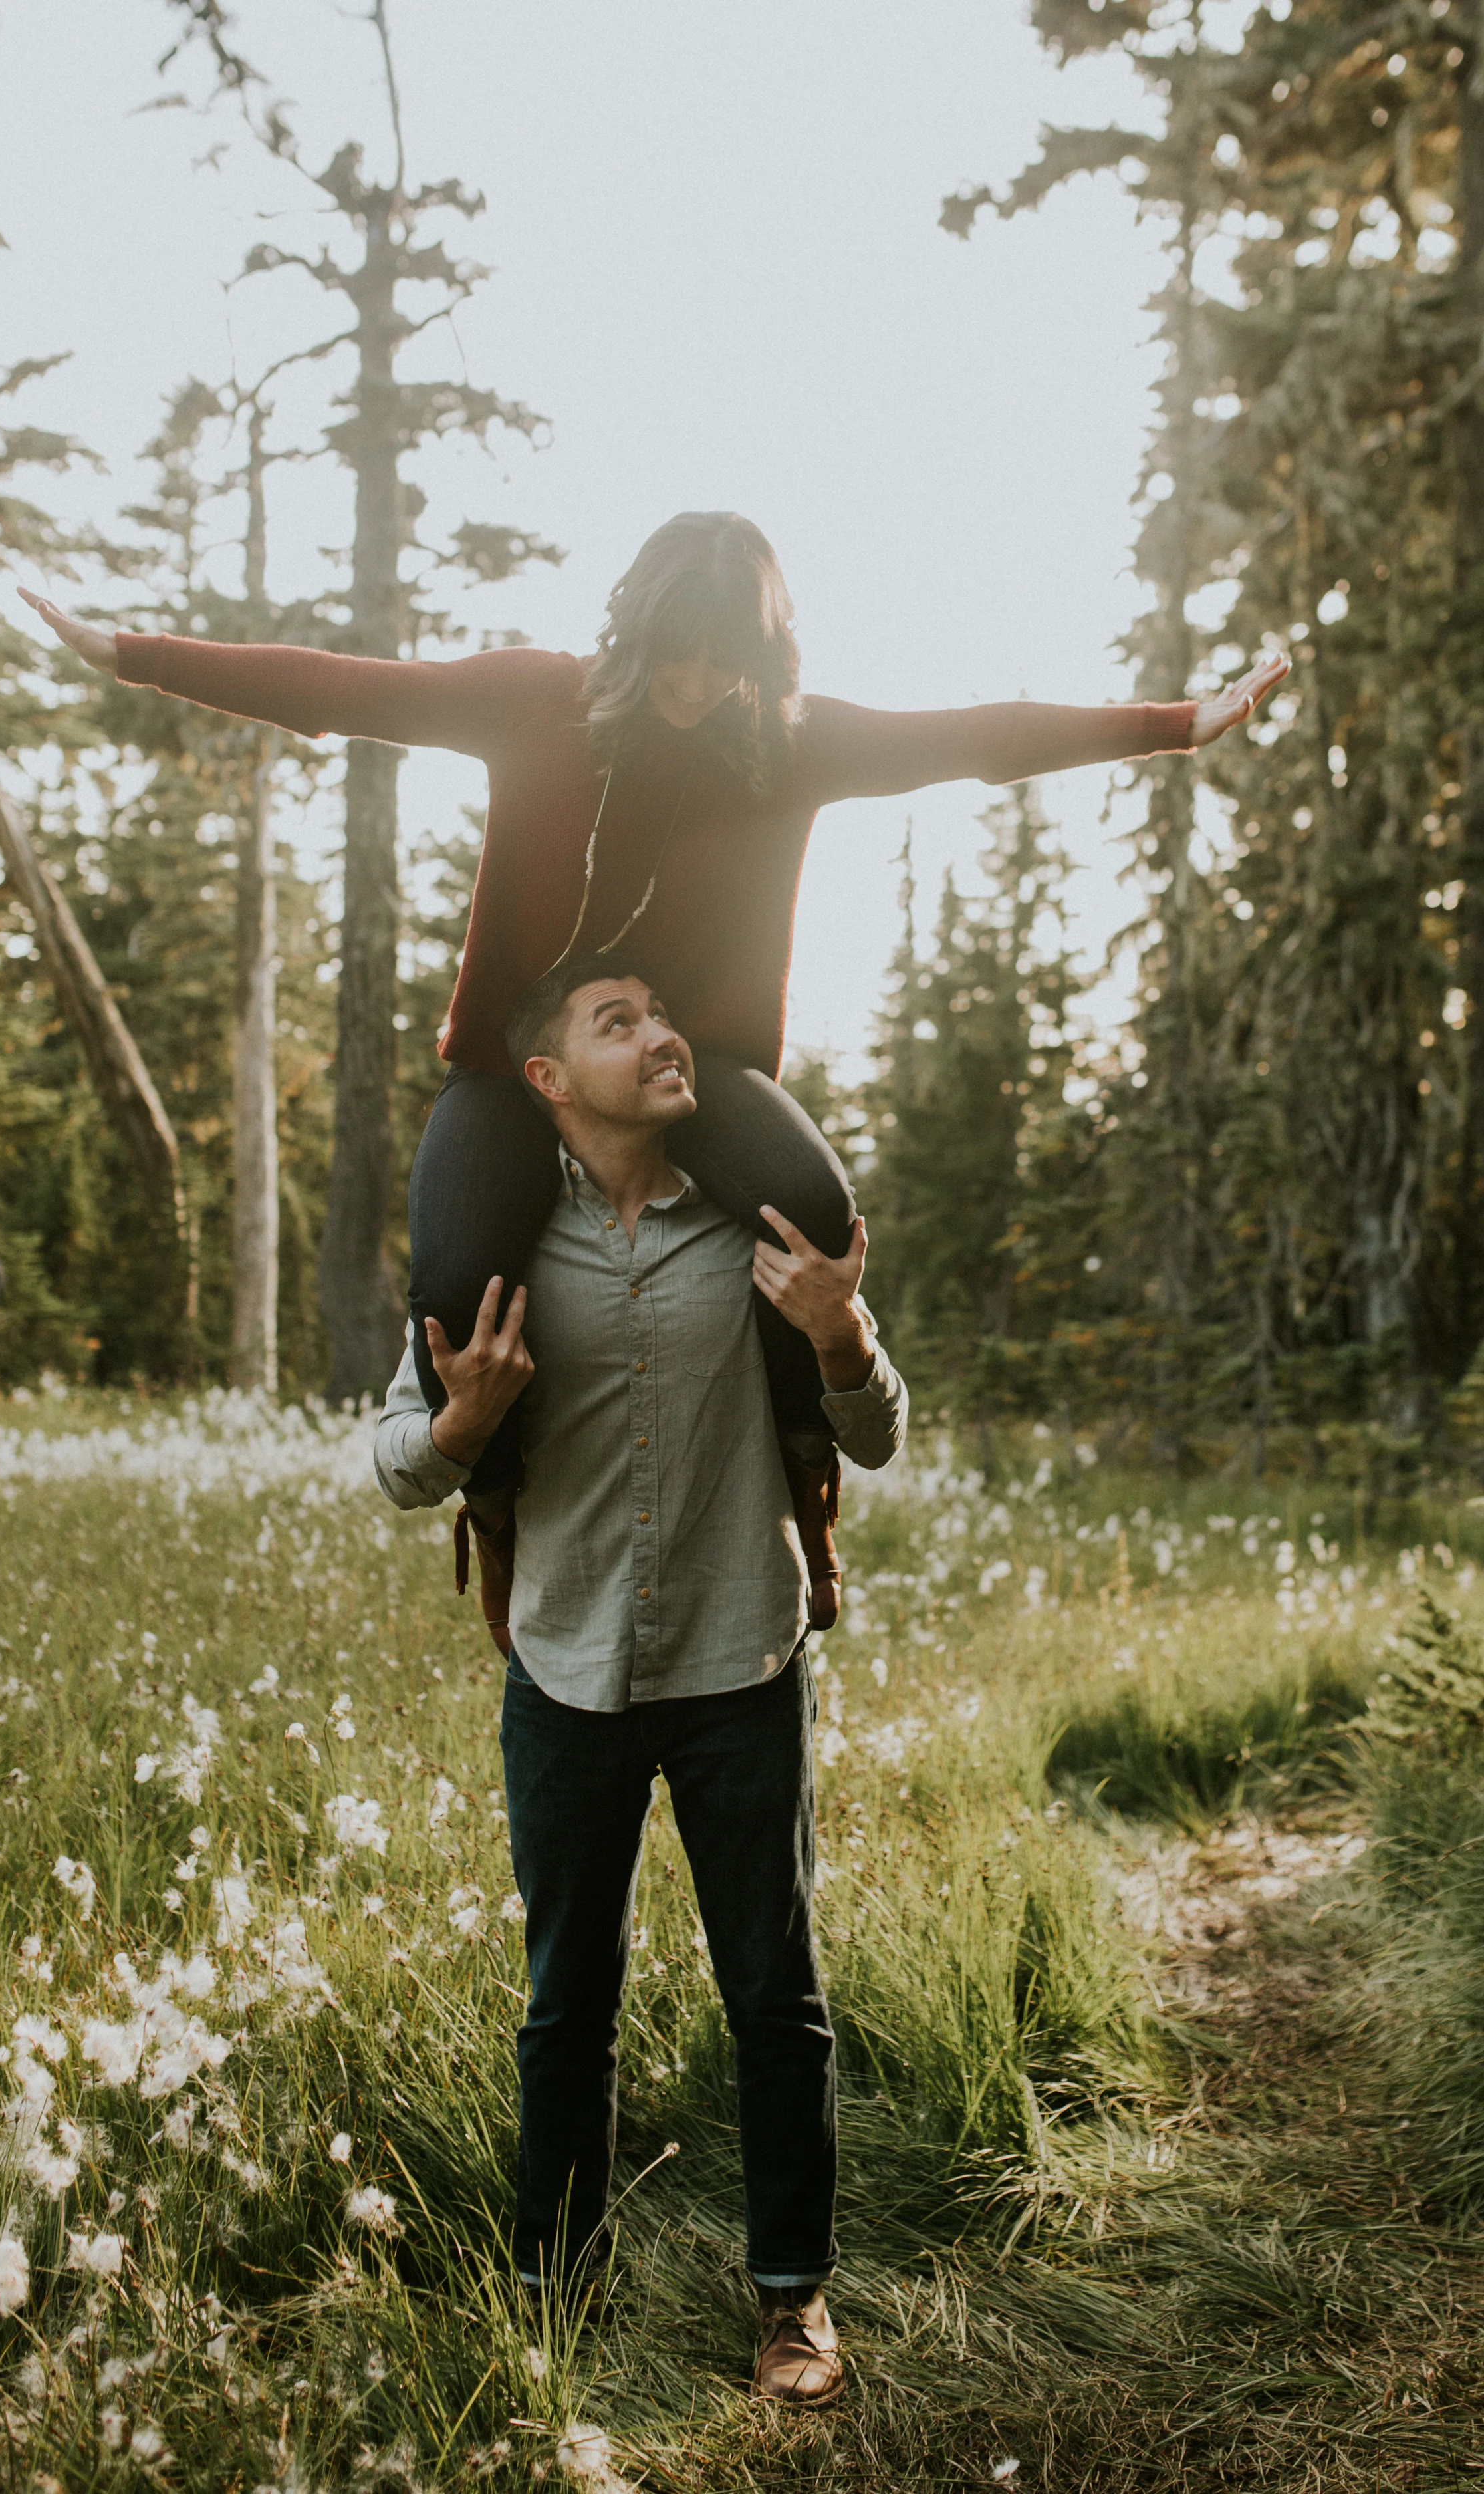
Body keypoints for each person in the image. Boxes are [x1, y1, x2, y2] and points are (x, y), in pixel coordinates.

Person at [21, 512, 1287, 1631]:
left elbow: (977, 739)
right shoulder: (537, 701)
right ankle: (501, 1511)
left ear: (764, 657)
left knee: (816, 1215)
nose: (698, 683)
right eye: (682, 652)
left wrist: (1179, 724)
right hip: (510, 1069)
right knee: (462, 1281)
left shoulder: (787, 741)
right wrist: (130, 651)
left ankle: (807, 1476)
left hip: (703, 1065)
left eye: (729, 660)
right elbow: (342, 689)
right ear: (637, 628)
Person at [372, 954, 908, 2407]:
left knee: (774, 1994)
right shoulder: (492, 1247)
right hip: (563, 1670)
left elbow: (872, 1433)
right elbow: (392, 1469)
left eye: (661, 1013)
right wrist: (459, 1428)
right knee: (567, 2002)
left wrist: (839, 1334)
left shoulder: (750, 1225)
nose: (663, 1034)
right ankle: (558, 2286)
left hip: (744, 1660)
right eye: (618, 1023)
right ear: (546, 1080)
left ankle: (793, 2301)